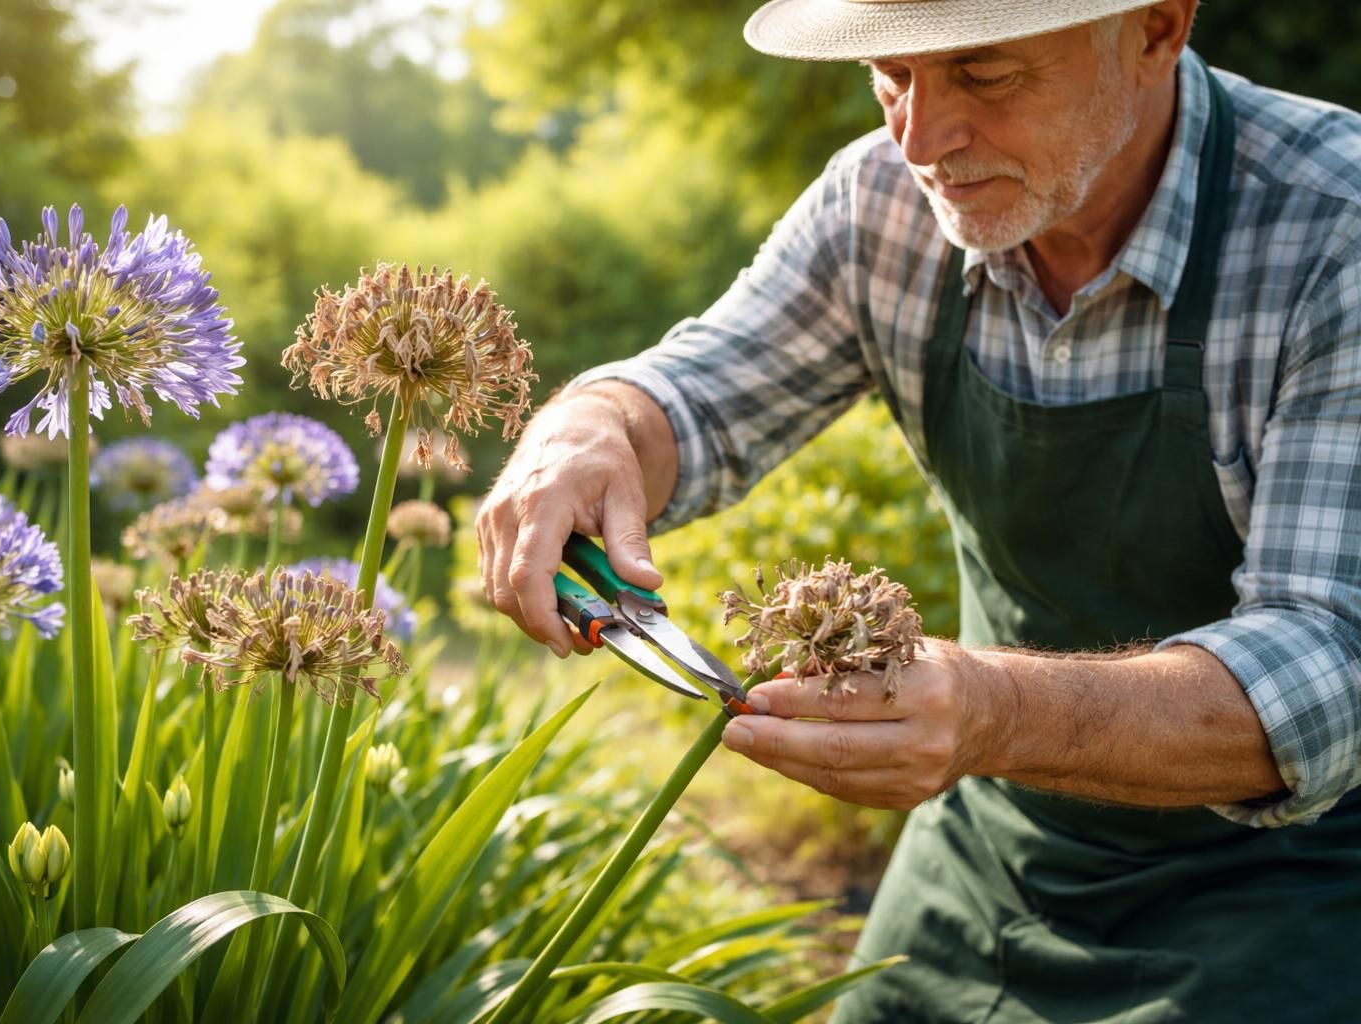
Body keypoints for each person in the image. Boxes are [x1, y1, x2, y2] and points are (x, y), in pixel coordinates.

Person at [476, 0, 1361, 1018]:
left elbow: (1331, 660)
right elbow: (700, 392)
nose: (921, 137)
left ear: (1157, 30)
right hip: (985, 855)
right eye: (890, 75)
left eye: (985, 74)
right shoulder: (880, 205)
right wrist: (591, 427)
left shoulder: (1334, 225)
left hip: (1290, 891)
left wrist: (993, 711)